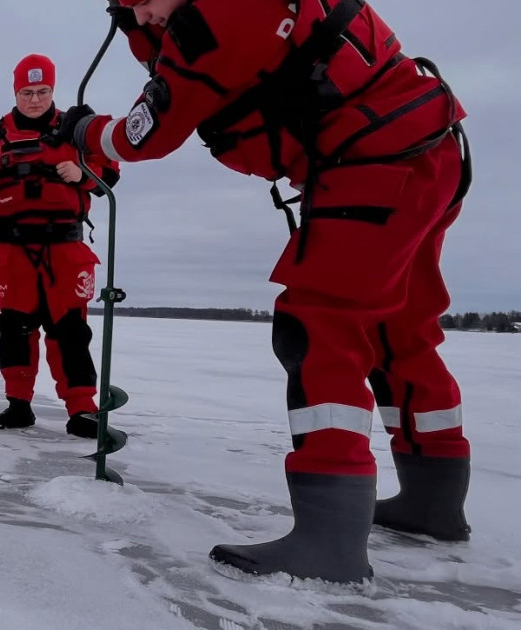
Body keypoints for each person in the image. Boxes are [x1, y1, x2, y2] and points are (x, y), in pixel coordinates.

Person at [55, 0, 473, 585]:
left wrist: (84, 132)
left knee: (319, 325)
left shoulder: (217, 19)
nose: (142, 12)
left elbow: (147, 131)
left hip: (374, 161)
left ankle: (330, 543)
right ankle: (433, 502)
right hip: (425, 145)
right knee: (395, 327)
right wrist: (141, 24)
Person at [0, 53, 122, 439]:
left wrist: (82, 174)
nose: (35, 99)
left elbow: (109, 175)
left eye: (42, 91)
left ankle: (82, 410)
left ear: (53, 90)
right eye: (27, 92)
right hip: (10, 250)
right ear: (16, 92)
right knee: (15, 328)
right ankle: (18, 406)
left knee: (70, 331)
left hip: (64, 247)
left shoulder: (76, 129)